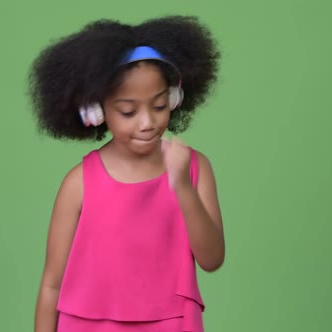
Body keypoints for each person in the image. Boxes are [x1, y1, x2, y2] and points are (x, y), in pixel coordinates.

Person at [29, 15, 225, 332]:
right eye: (128, 111)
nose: (147, 122)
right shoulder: (79, 182)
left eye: (159, 105)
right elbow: (52, 283)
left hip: (172, 322)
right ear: (96, 111)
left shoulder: (193, 167)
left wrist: (183, 188)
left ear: (174, 98)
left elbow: (212, 259)